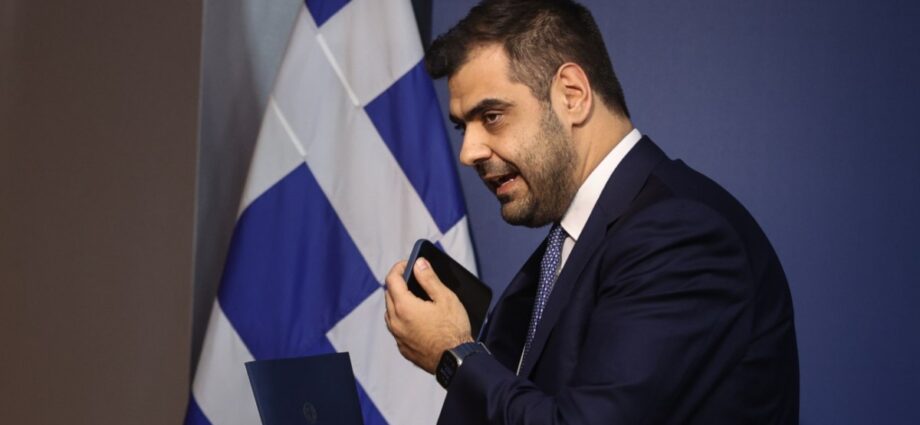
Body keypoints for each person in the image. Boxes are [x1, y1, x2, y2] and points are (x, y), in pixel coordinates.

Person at [383, 1, 799, 423]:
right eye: (462, 127)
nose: (468, 152)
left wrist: (455, 354)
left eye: (491, 116)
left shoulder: (682, 236)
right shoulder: (571, 245)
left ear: (572, 95)